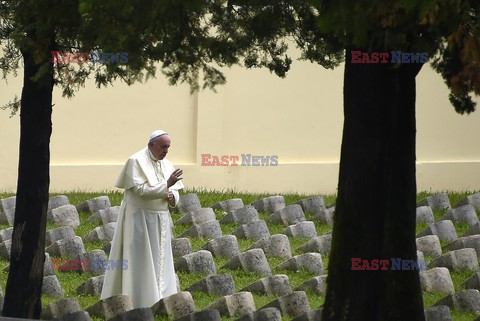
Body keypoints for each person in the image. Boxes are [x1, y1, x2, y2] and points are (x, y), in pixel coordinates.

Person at [100, 129, 184, 308]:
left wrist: (172, 197)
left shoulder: (167, 163)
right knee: (140, 260)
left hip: (160, 220)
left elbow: (176, 191)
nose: (166, 151)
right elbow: (139, 191)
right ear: (151, 144)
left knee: (161, 260)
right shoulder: (135, 161)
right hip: (139, 219)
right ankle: (140, 300)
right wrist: (166, 185)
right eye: (163, 147)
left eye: (168, 147)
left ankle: (162, 298)